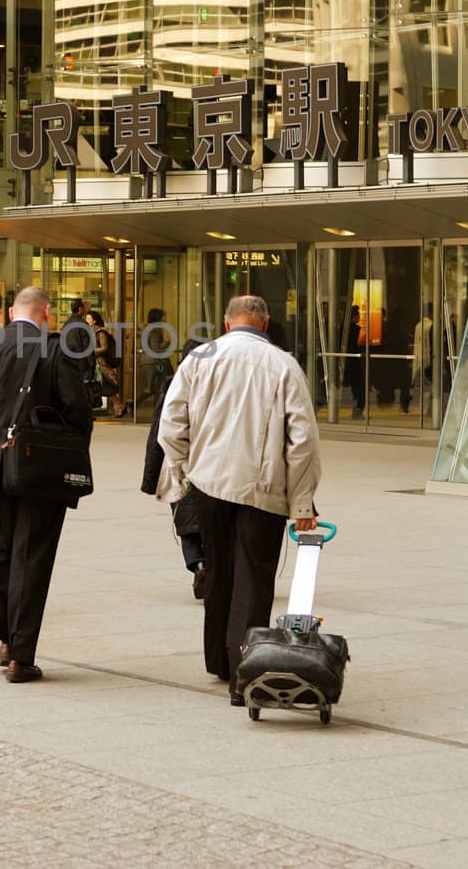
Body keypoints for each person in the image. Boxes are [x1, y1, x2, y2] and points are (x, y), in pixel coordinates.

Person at [158, 295, 320, 703]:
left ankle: (218, 659)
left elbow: (171, 423)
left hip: (209, 482)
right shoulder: (283, 365)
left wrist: (184, 468)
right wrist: (302, 500)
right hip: (261, 487)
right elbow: (302, 441)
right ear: (264, 325)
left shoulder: (200, 358)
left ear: (229, 323)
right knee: (254, 577)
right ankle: (244, 672)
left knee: (219, 569)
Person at [0, 287, 92, 684]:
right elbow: (78, 412)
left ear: (11, 313)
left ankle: (6, 637)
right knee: (34, 557)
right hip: (39, 470)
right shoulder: (57, 350)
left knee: (3, 550)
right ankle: (21, 657)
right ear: (46, 313)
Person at [140, 337, 208, 597]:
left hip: (177, 464)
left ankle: (198, 564)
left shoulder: (173, 387)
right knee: (209, 519)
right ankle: (211, 565)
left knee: (186, 518)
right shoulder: (219, 387)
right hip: (209, 464)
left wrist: (150, 477)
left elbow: (158, 432)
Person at [88, 310, 126, 418]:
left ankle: (119, 405)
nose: (86, 321)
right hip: (96, 363)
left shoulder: (100, 333)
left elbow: (104, 348)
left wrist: (92, 351)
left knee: (106, 387)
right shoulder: (92, 332)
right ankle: (119, 406)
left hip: (101, 364)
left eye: (88, 319)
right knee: (103, 387)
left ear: (94, 321)